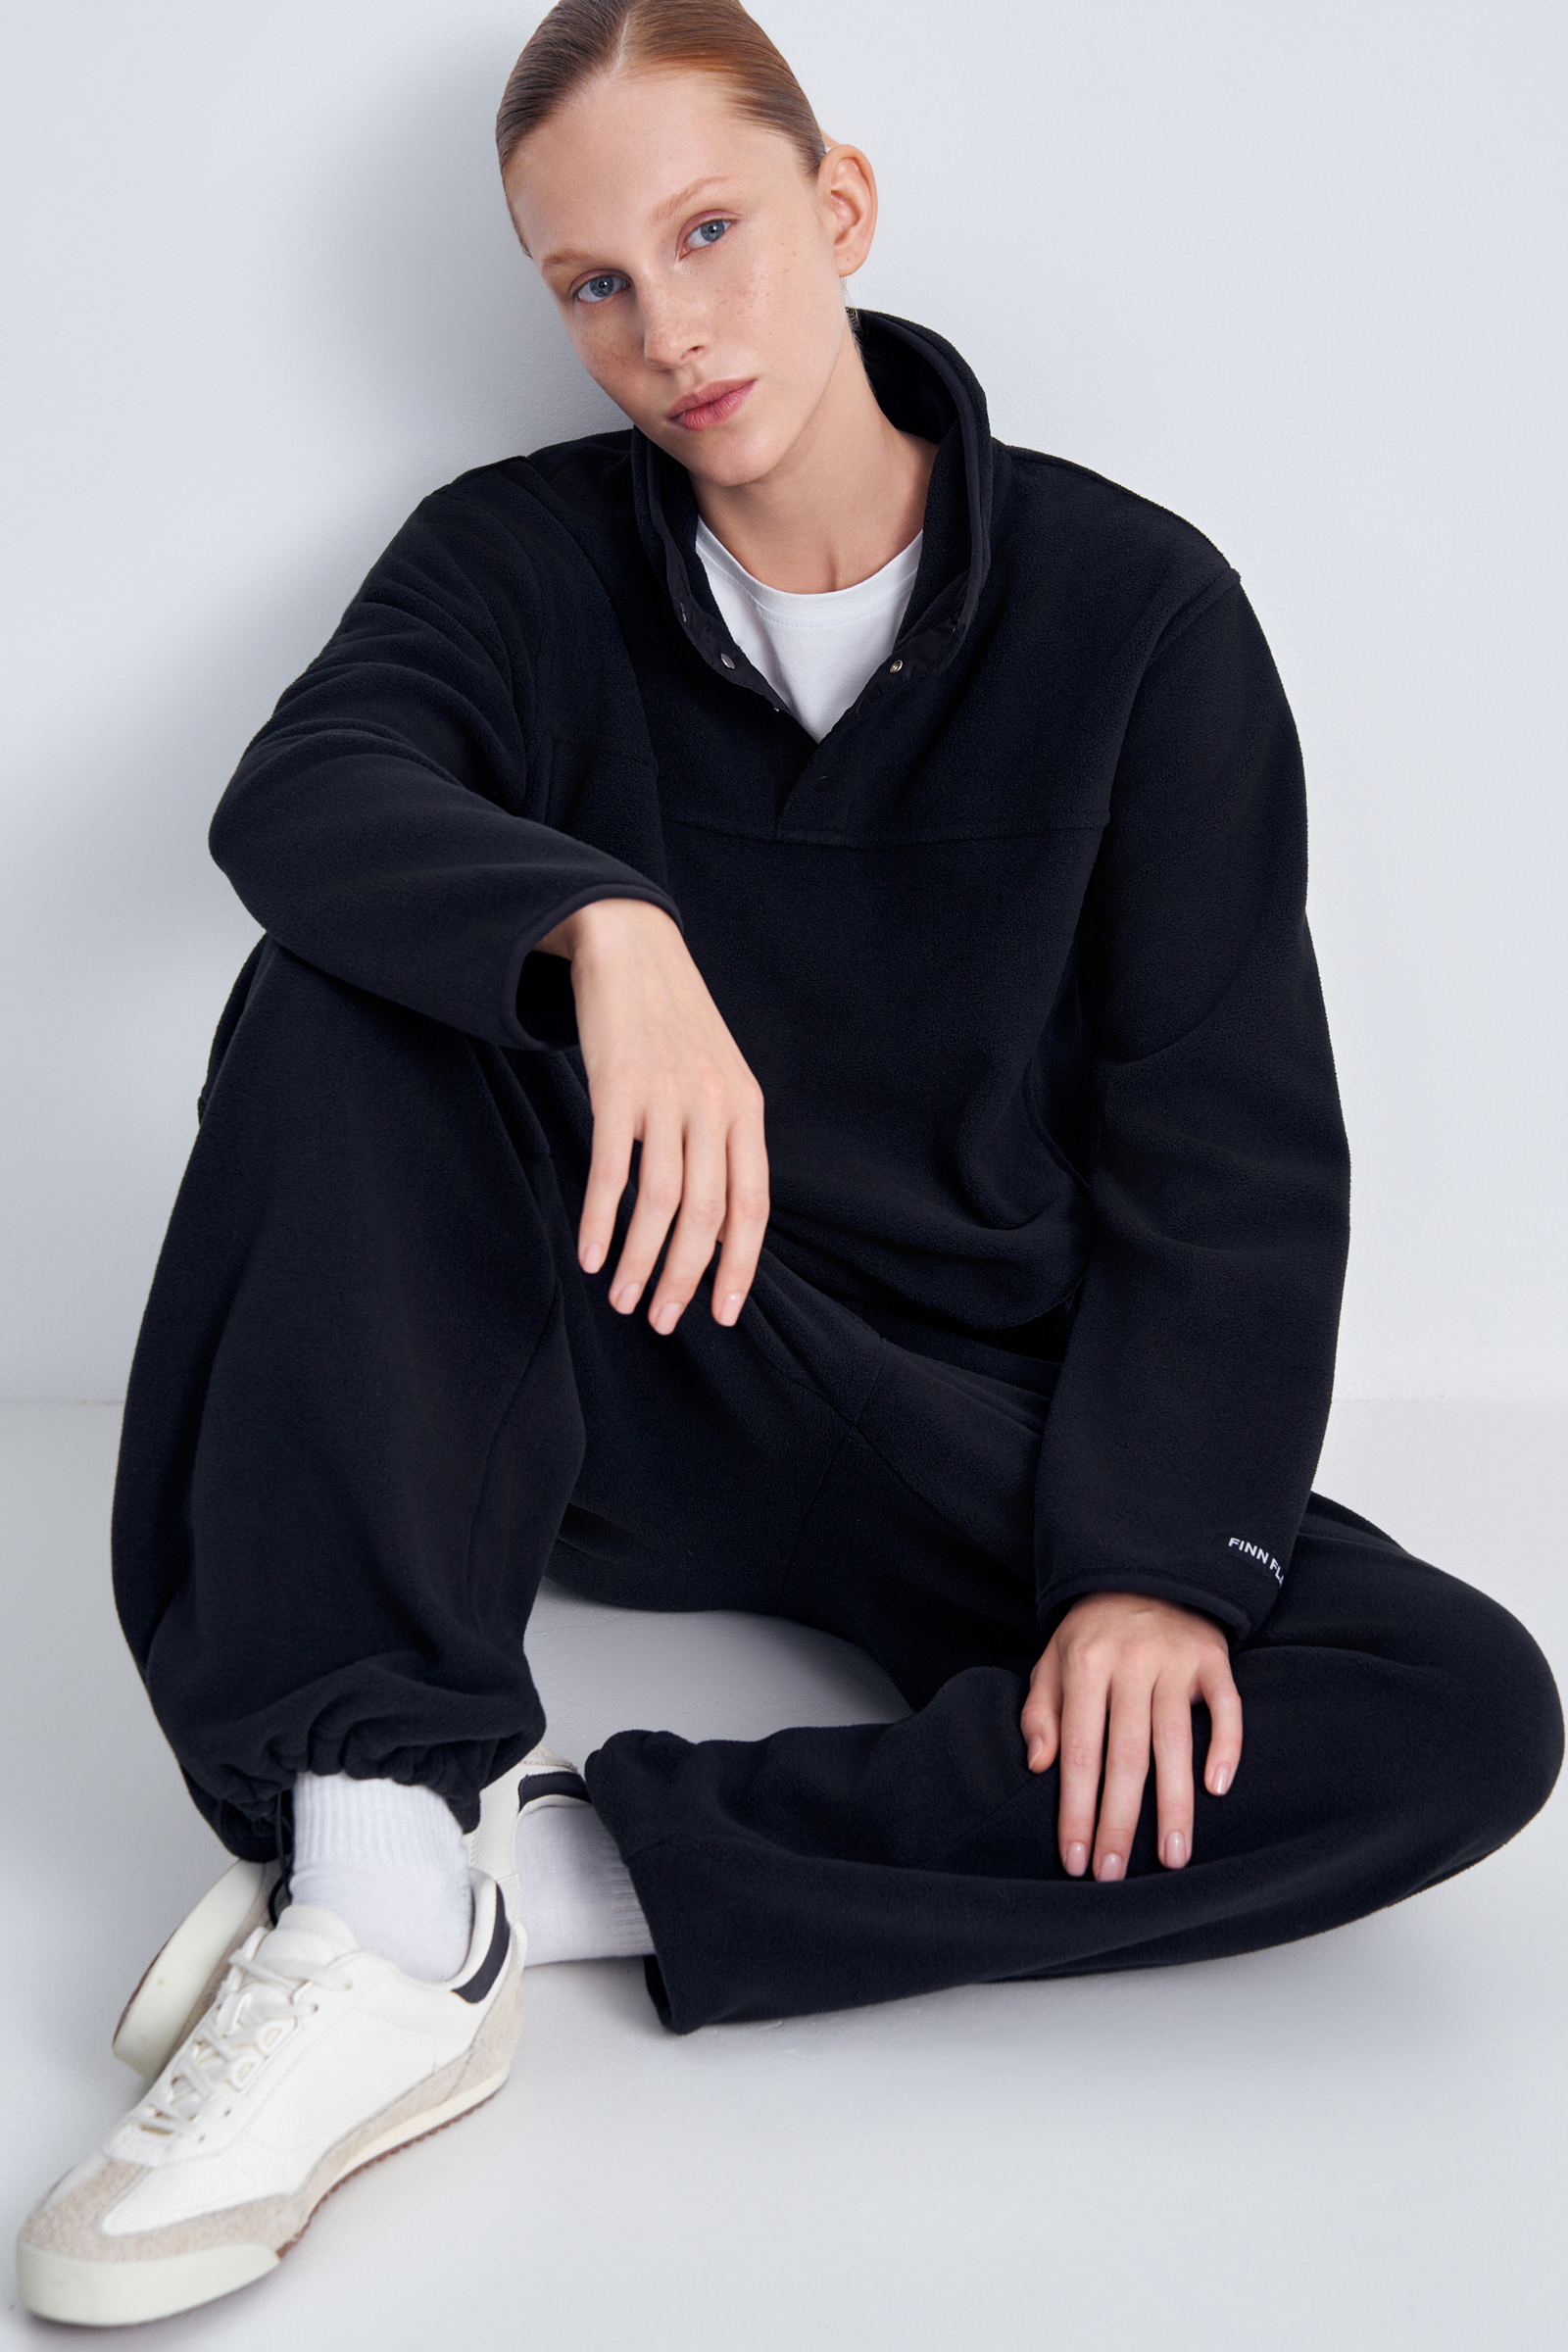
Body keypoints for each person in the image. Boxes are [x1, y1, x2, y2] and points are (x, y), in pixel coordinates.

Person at [18, 0, 1562, 2327]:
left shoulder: (1134, 615)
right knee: (336, 989)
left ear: (837, 211)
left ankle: (536, 1885)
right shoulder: (515, 563)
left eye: (708, 231)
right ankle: (365, 1869)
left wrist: (1147, 1564)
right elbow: (307, 793)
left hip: (957, 1412)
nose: (664, 326)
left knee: (1450, 1706)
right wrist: (597, 928)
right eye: (591, 280)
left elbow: (1224, 1149)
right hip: (619, 1364)